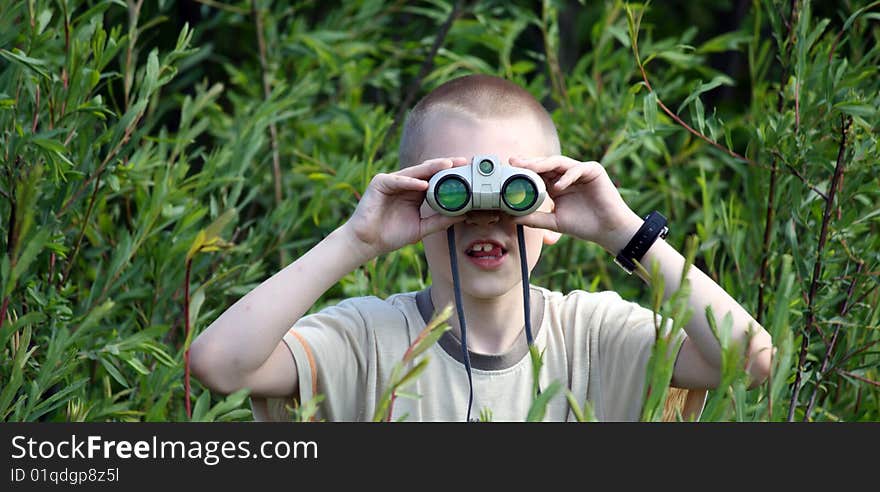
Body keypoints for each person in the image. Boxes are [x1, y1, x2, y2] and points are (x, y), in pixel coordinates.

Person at [189, 74, 772, 422]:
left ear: (549, 215)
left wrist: (621, 229)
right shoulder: (364, 339)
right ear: (416, 196)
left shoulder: (595, 336)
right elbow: (218, 363)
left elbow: (751, 360)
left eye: (517, 195)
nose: (483, 216)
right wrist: (357, 239)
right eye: (455, 194)